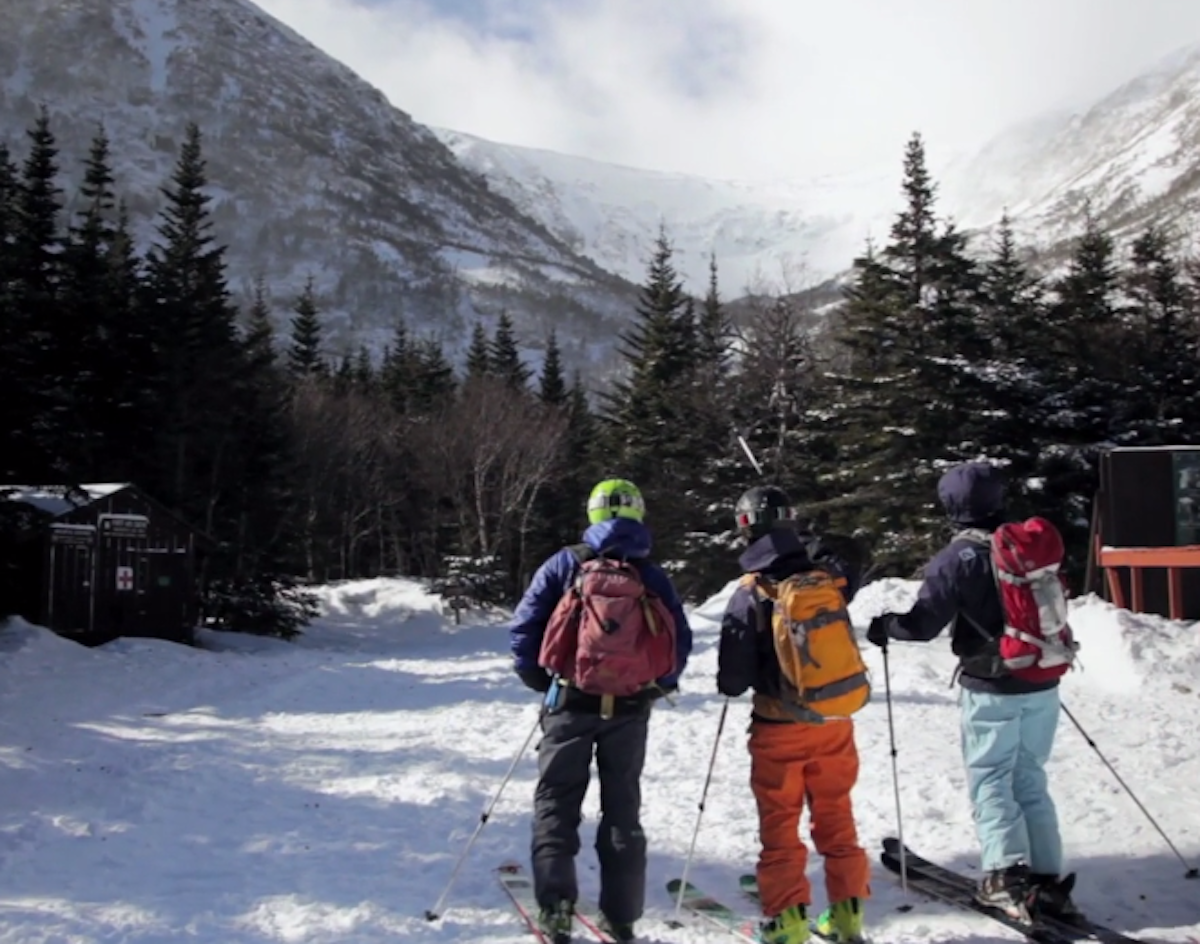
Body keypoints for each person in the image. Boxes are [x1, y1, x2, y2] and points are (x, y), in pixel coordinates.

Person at [865, 461, 1078, 919]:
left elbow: (922, 625)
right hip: (1043, 677)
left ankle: (1003, 875)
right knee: (1029, 777)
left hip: (992, 684)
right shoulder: (1024, 546)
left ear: (950, 506)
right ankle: (1047, 878)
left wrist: (887, 627)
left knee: (992, 777)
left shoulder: (957, 558)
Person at [509, 478, 693, 944]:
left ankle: (555, 907)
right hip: (630, 707)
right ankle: (623, 916)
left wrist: (543, 682)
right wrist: (656, 686)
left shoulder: (566, 564)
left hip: (569, 701)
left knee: (556, 802)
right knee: (622, 809)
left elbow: (524, 628)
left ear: (592, 513)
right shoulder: (649, 573)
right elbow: (678, 644)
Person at [717, 485, 871, 944]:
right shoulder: (824, 578)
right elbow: (854, 561)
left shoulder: (752, 593)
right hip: (834, 722)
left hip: (778, 727)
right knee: (836, 815)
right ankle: (847, 916)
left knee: (780, 823)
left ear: (745, 530)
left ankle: (787, 921)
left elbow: (733, 680)